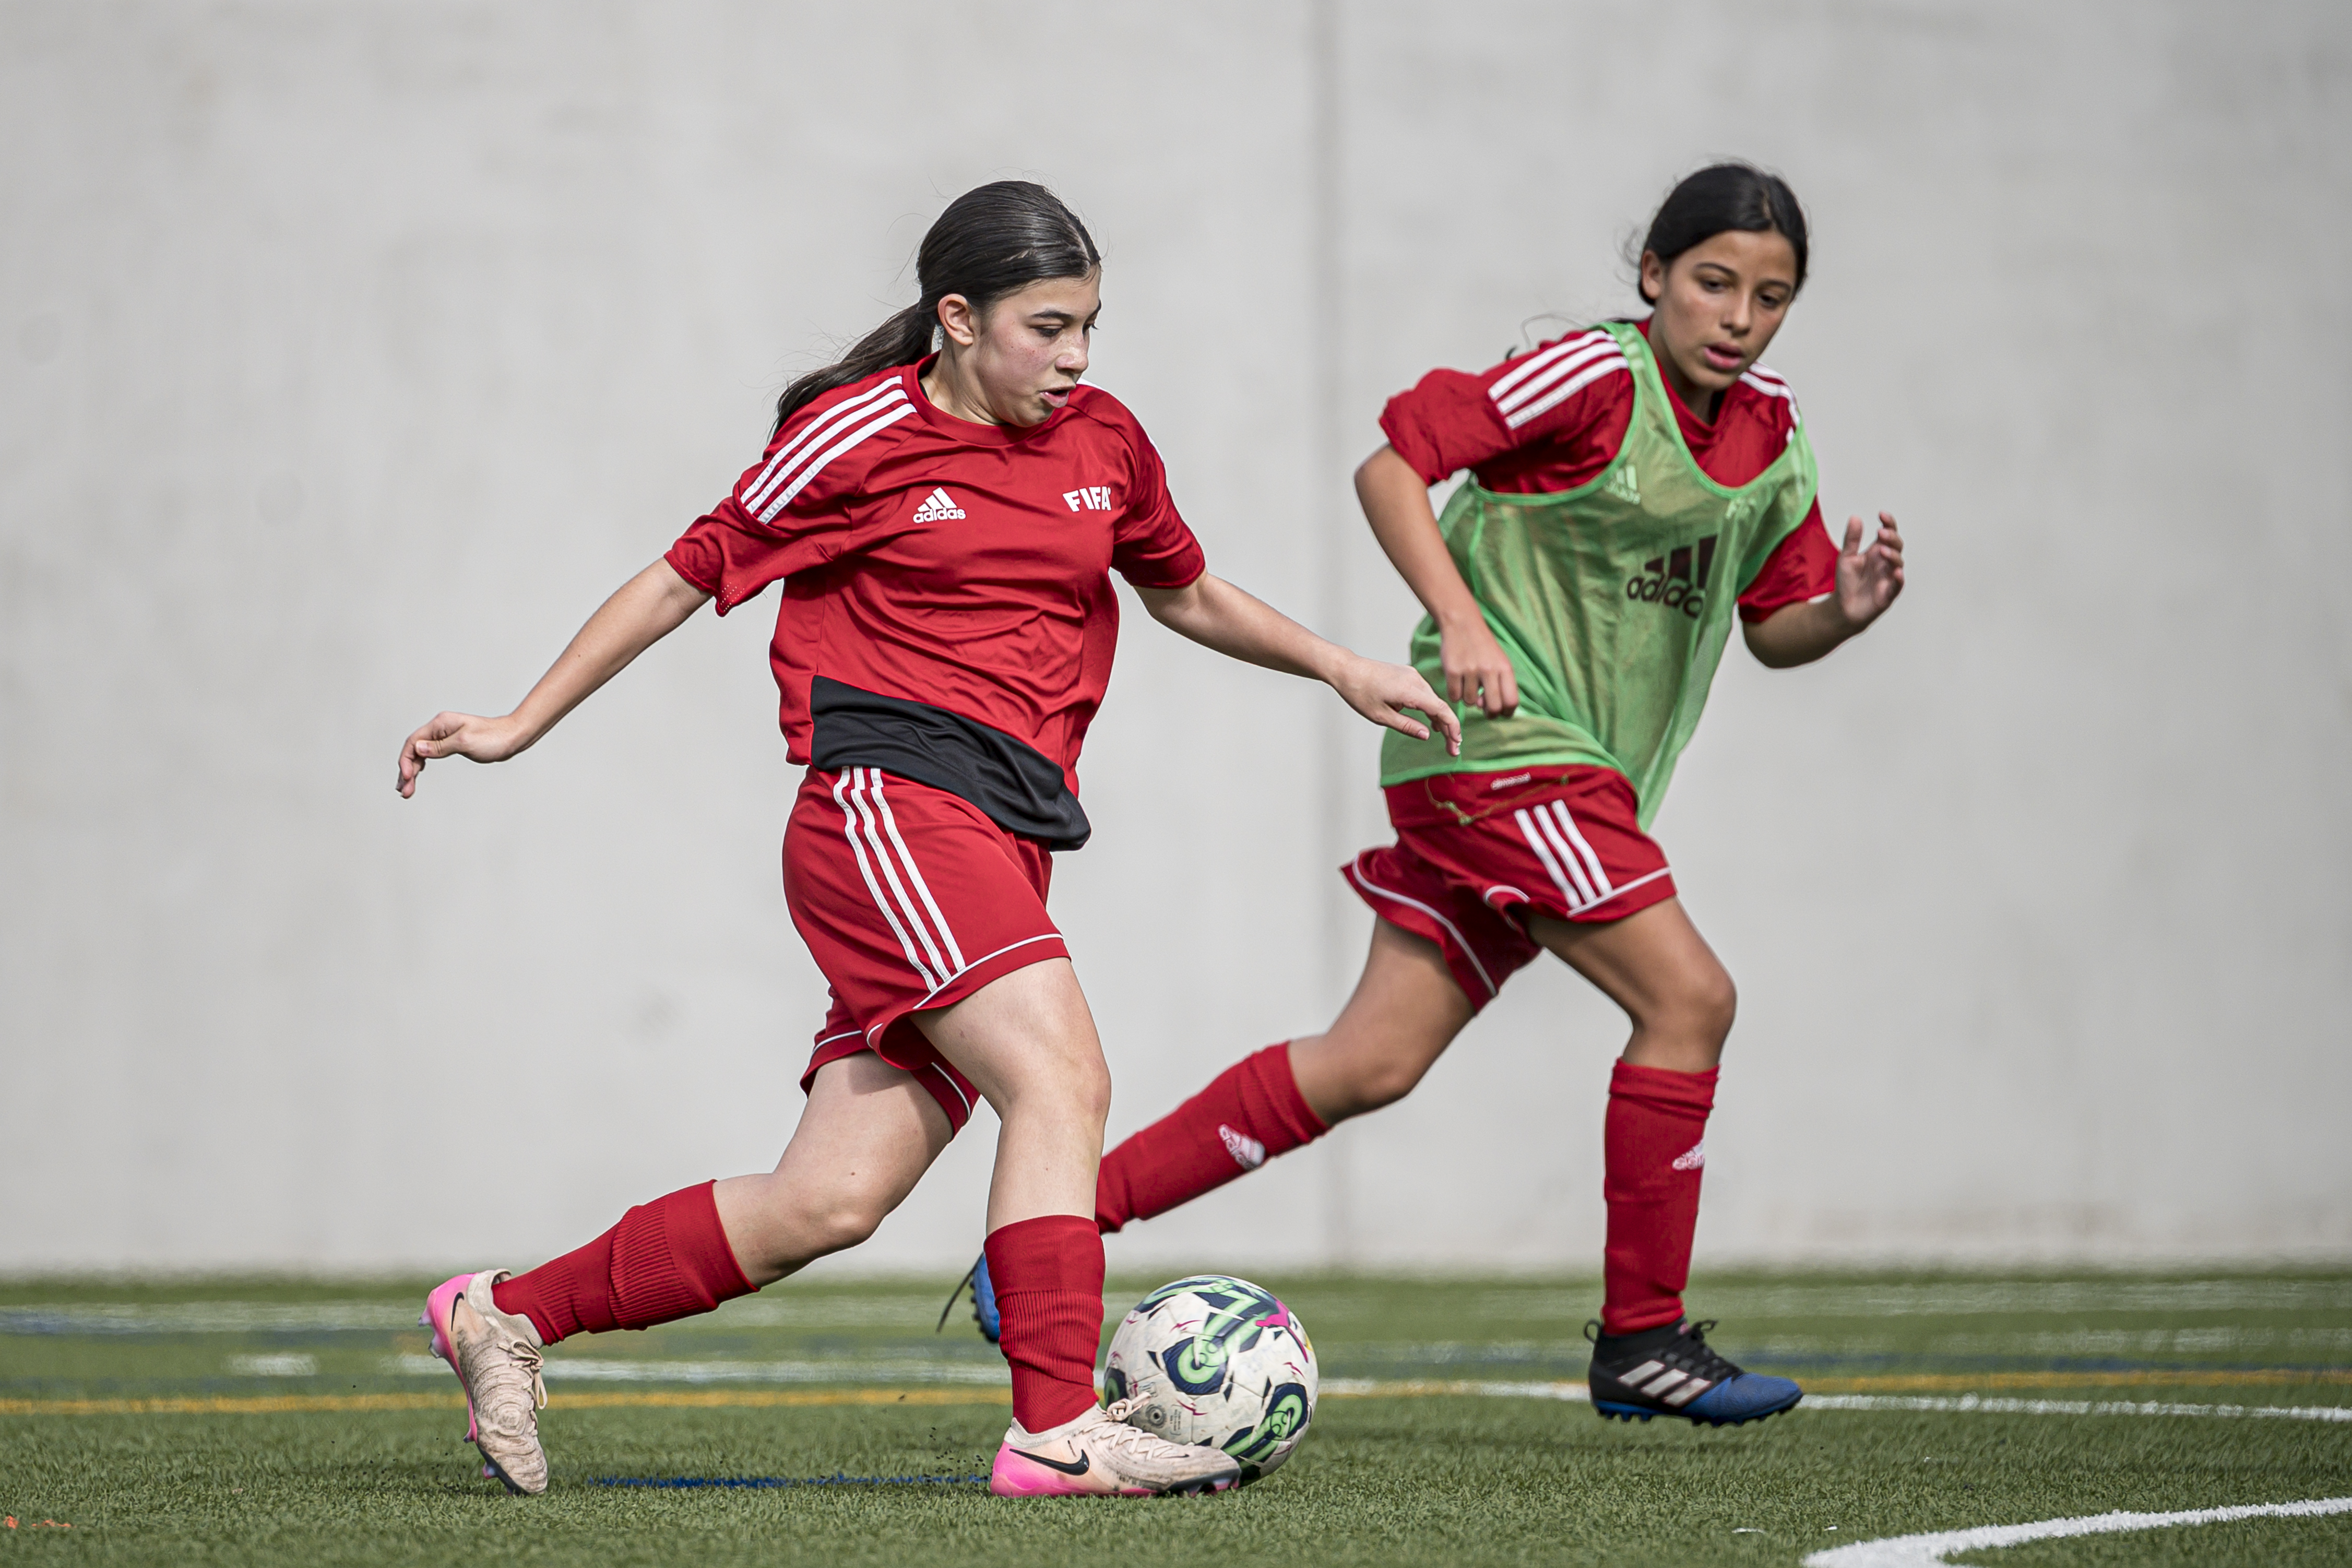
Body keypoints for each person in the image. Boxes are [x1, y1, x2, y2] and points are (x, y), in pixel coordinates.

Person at [393, 181, 1458, 1497]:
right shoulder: (856, 435)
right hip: (886, 809)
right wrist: (517, 722)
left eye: (1090, 327)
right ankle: (1055, 1427)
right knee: (1062, 1078)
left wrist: (1341, 666)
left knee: (827, 1201)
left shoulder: (1105, 441)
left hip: (1001, 835)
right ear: (956, 318)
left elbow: (1188, 591)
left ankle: (506, 1313)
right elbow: (682, 573)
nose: (1075, 357)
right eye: (1047, 326)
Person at [958, 163, 1905, 1428]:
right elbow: (1391, 464)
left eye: (1771, 297)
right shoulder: (1592, 376)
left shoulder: (1773, 435)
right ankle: (1643, 1341)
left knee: (1367, 1062)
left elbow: (1776, 624)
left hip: (1557, 783)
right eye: (1714, 283)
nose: (1738, 316)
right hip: (1502, 756)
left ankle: (1057, 1222)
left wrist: (1840, 613)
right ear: (1654, 277)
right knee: (1692, 997)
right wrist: (1459, 618)